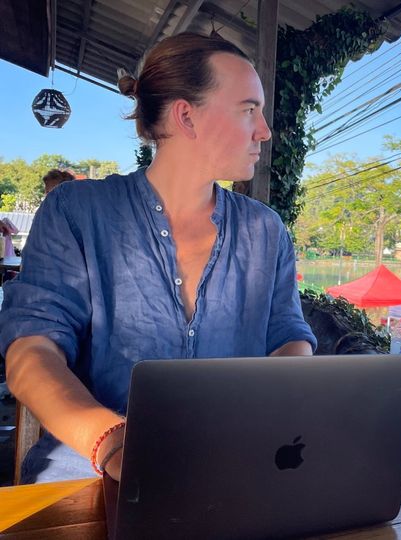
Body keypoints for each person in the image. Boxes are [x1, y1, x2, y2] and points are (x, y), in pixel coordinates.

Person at [0, 32, 316, 483]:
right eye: (249, 109)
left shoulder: (265, 231)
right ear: (186, 116)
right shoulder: (77, 212)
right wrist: (113, 442)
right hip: (88, 474)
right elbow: (32, 348)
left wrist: (268, 425)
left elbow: (288, 336)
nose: (265, 130)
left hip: (233, 474)